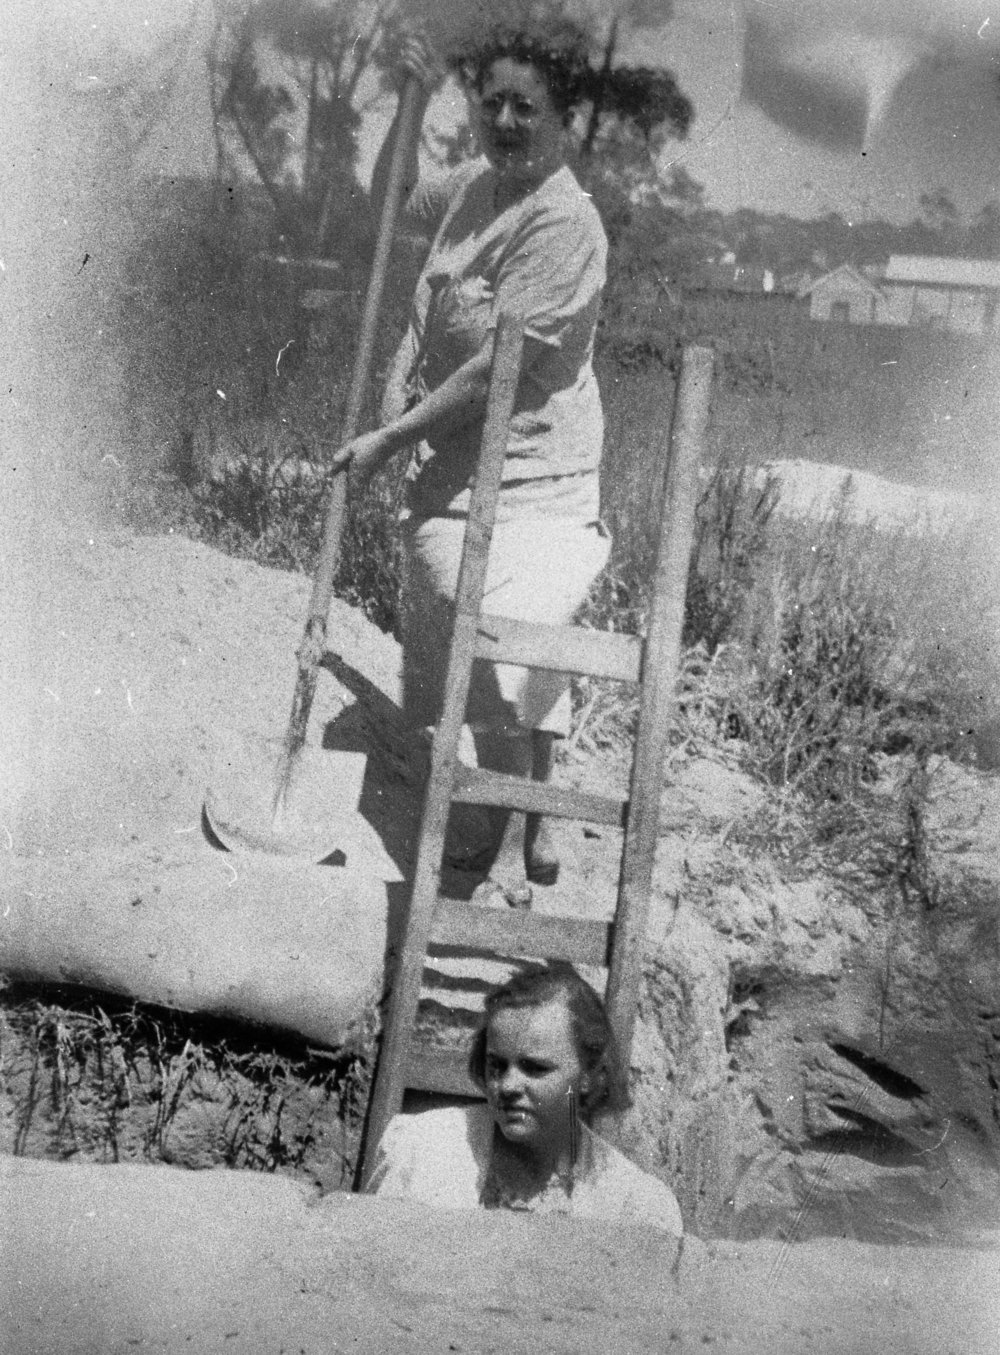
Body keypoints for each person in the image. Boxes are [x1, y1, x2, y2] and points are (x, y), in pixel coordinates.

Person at [331, 19, 611, 908]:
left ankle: (501, 861)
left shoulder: (565, 222)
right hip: (455, 475)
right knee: (482, 656)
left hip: (532, 482)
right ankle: (529, 820)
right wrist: (408, 108)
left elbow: (502, 364)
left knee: (500, 657)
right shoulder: (471, 190)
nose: (504, 118)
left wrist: (391, 435)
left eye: (526, 105)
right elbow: (391, 204)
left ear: (562, 116)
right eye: (490, 101)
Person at [366, 963, 683, 1234]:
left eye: (534, 1068)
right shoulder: (424, 1150)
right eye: (497, 1065)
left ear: (589, 1076)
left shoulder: (633, 1206)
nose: (507, 1086)